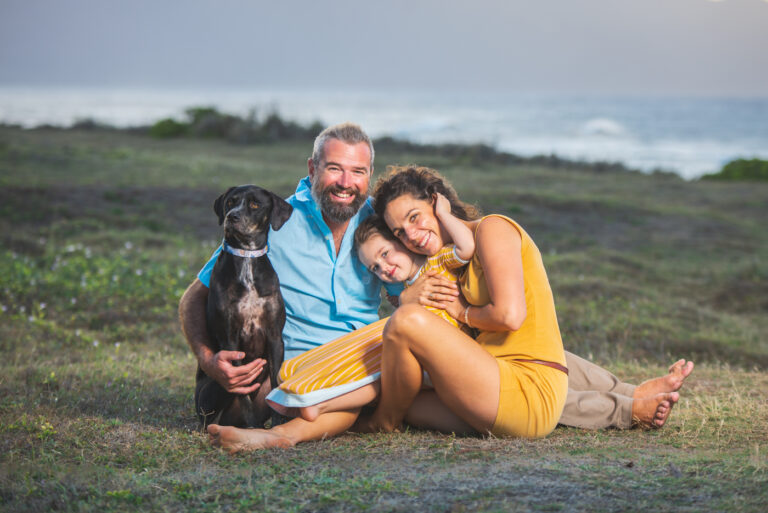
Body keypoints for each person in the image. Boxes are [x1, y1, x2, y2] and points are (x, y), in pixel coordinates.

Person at [178, 124, 692, 452]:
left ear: (369, 176)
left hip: (389, 360)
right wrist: (207, 358)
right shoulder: (273, 222)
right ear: (312, 169)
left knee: (505, 351)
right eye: (333, 167)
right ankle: (624, 405)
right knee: (475, 365)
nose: (345, 181)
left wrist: (432, 285)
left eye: (358, 171)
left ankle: (626, 392)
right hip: (326, 364)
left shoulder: (376, 223)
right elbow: (198, 294)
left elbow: (445, 261)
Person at [264, 198, 475, 420]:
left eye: (385, 254)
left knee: (381, 348)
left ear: (401, 241)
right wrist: (405, 298)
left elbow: (466, 247)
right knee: (381, 365)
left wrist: (443, 213)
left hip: (450, 353)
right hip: (418, 363)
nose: (384, 268)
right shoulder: (405, 289)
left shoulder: (437, 262)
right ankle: (309, 391)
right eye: (375, 268)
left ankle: (317, 400)